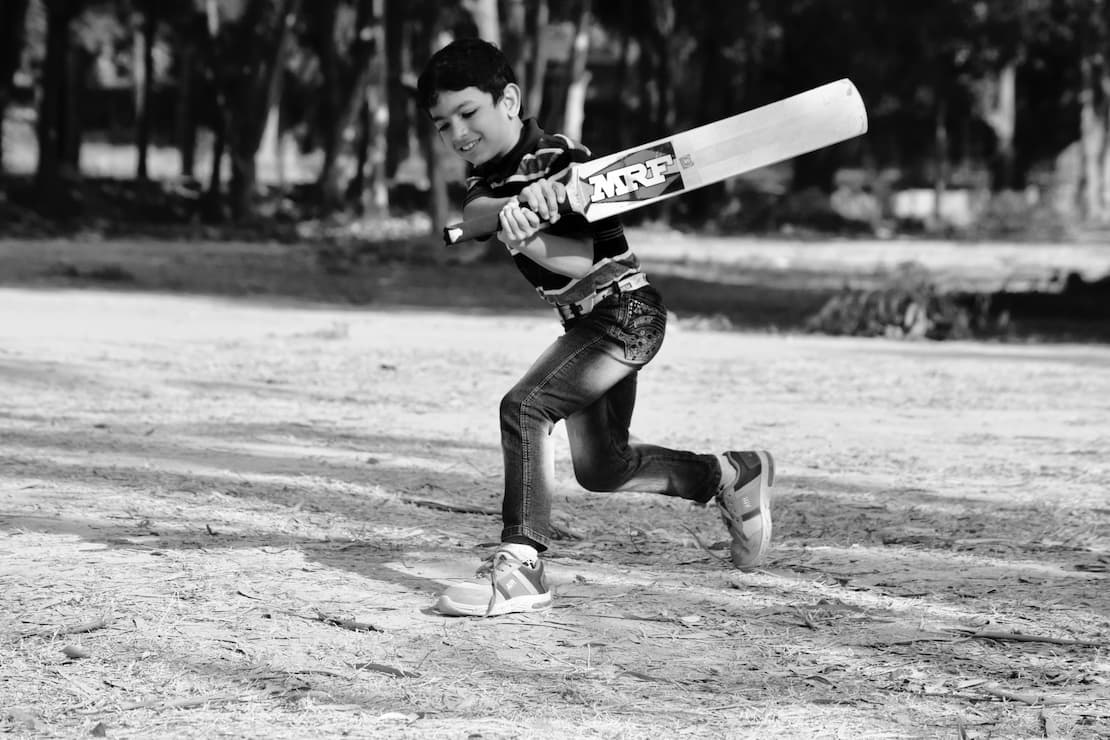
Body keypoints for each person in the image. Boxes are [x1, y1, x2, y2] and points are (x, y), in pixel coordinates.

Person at [416, 38, 774, 617]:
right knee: (603, 467)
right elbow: (476, 215)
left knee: (525, 407)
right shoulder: (488, 178)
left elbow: (580, 263)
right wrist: (513, 210)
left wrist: (541, 214)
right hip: (587, 325)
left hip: (625, 313)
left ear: (509, 100)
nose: (457, 133)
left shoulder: (562, 158)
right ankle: (730, 474)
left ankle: (522, 564)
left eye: (467, 113)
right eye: (442, 124)